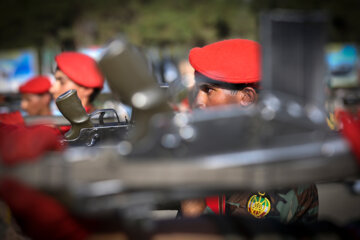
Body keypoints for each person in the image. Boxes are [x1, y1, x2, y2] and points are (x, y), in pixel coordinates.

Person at [181, 39, 319, 224]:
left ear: (246, 98)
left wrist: (193, 212)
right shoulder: (208, 150)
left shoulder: (277, 171)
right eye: (197, 90)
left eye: (208, 90)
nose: (198, 101)